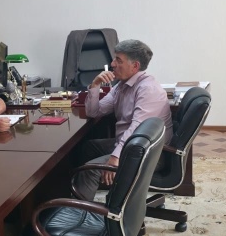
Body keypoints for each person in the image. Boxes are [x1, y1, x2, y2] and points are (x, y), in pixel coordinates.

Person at [73, 39, 173, 201]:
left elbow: (137, 129)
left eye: (118, 60)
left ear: (135, 66)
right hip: (131, 145)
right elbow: (94, 112)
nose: (112, 64)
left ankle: (81, 213)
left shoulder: (148, 89)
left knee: (89, 169)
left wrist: (115, 158)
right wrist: (95, 85)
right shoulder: (121, 85)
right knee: (89, 147)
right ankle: (80, 192)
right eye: (114, 59)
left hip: (150, 152)